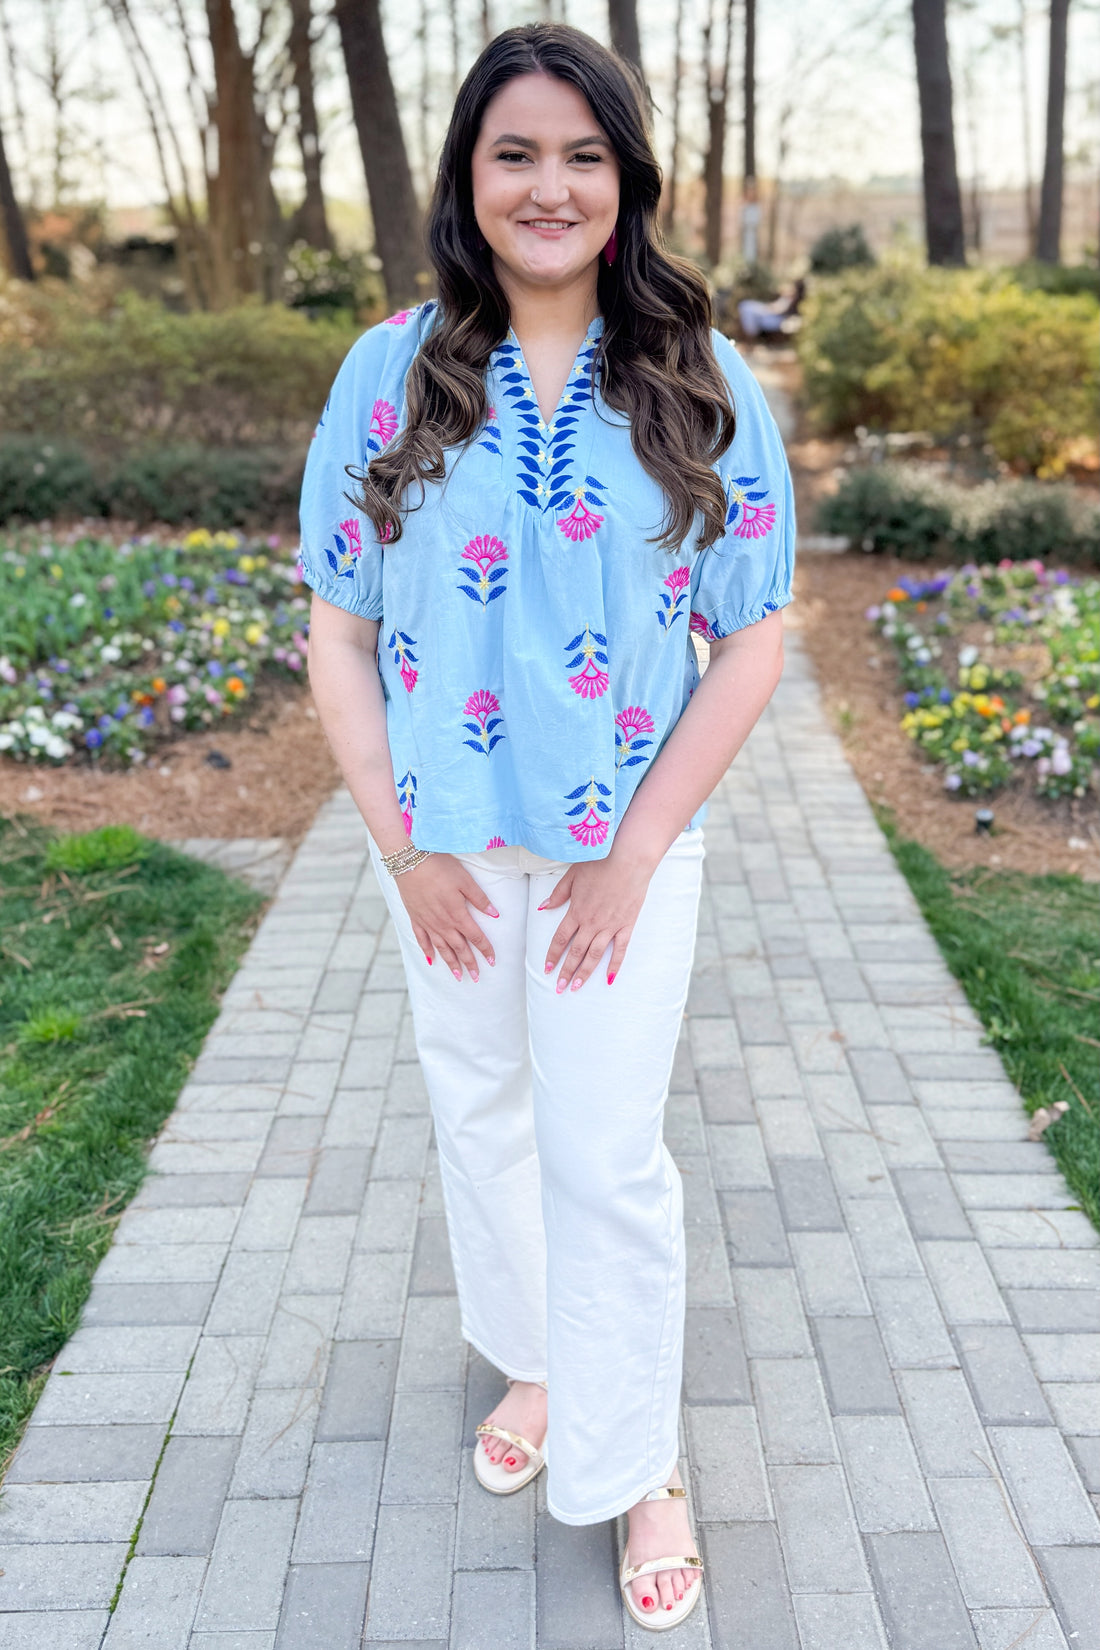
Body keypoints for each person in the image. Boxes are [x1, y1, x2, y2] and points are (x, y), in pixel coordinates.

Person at [298, 22, 794, 1632]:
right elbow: (339, 629)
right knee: (481, 1118)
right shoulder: (389, 374)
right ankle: (536, 1361)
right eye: (514, 152)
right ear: (466, 178)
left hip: (614, 858)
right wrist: (402, 844)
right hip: (441, 848)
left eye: (583, 154)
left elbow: (757, 632)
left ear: (627, 181)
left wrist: (639, 849)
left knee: (604, 1157)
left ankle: (639, 1452)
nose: (550, 184)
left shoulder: (699, 384)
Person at [737, 277, 806, 341]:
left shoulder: (789, 300)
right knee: (746, 306)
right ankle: (749, 335)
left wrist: (766, 308)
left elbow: (777, 310)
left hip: (773, 318)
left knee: (747, 308)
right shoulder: (786, 298)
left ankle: (750, 336)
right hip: (768, 313)